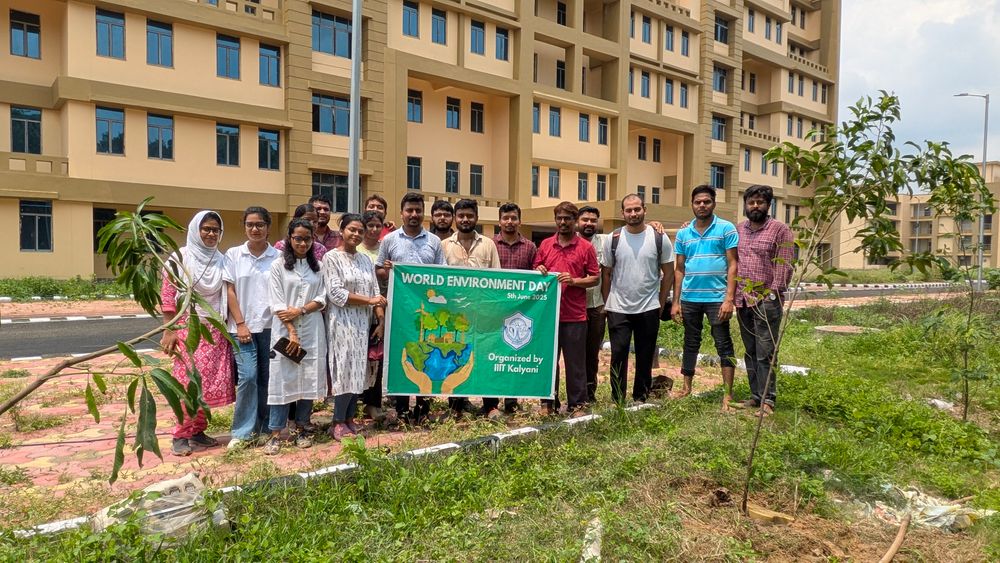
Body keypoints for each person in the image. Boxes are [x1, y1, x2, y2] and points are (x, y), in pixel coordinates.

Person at [160, 210, 234, 456]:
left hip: (215, 330)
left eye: (216, 230)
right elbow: (168, 295)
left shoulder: (221, 260)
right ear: (195, 230)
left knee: (207, 385)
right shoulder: (179, 258)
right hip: (188, 329)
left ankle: (198, 432)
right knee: (187, 384)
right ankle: (180, 435)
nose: (211, 234)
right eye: (207, 229)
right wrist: (169, 329)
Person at [376, 192, 446, 424]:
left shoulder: (434, 242)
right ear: (402, 213)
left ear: (423, 213)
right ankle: (403, 410)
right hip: (399, 312)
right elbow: (377, 271)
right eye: (409, 210)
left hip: (428, 315)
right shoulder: (389, 240)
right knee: (402, 356)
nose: (414, 215)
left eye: (418, 210)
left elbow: (443, 275)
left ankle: (424, 410)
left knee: (427, 356)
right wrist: (387, 271)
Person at [601, 195, 675, 404]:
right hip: (618, 307)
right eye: (628, 210)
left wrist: (660, 303)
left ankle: (640, 398)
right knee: (618, 355)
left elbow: (668, 273)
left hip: (648, 306)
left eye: (637, 209)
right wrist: (608, 303)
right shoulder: (613, 238)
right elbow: (606, 273)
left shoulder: (659, 238)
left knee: (645, 355)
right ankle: (617, 400)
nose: (633, 214)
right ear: (622, 213)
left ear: (645, 209)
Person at [263, 218, 328, 455]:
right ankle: (275, 433)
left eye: (307, 239)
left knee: (309, 379)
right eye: (298, 238)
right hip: (284, 331)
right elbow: (277, 302)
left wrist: (301, 310)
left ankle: (302, 427)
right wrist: (291, 331)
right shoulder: (278, 266)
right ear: (289, 239)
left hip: (312, 329)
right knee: (282, 379)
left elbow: (322, 298)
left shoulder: (318, 267)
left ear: (313, 240)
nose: (302, 243)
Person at [670, 185, 739, 410]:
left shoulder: (726, 229)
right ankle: (686, 387)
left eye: (706, 202)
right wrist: (676, 302)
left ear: (714, 204)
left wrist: (729, 299)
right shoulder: (683, 233)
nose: (702, 205)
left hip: (717, 298)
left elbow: (733, 264)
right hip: (690, 297)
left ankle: (727, 394)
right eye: (698, 202)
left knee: (723, 343)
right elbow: (679, 269)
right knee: (690, 342)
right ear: (692, 204)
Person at [324, 213, 387, 440]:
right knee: (343, 370)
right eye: (352, 229)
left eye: (360, 231)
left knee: (358, 372)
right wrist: (370, 301)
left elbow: (375, 293)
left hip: (363, 324)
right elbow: (336, 293)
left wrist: (379, 320)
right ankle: (337, 421)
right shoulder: (331, 258)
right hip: (341, 322)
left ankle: (350, 419)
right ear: (341, 230)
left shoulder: (365, 260)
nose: (357, 234)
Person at [534, 202, 600, 416]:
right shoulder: (544, 245)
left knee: (575, 364)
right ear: (555, 220)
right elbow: (536, 269)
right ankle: (548, 402)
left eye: (568, 218)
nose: (563, 222)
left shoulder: (585, 247)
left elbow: (594, 278)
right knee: (548, 362)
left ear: (575, 221)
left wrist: (574, 281)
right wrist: (539, 269)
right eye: (559, 218)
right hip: (548, 316)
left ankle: (577, 404)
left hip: (575, 315)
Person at [224, 206, 280, 451]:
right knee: (247, 377)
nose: (255, 229)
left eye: (260, 224)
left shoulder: (277, 257)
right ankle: (243, 431)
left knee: (268, 379)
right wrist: (240, 323)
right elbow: (229, 290)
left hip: (271, 327)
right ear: (244, 227)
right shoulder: (234, 255)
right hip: (242, 328)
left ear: (268, 227)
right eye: (250, 225)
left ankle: (267, 427)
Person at [735, 185, 793, 416]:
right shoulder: (739, 230)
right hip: (743, 300)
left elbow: (784, 265)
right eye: (751, 202)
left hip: (766, 301)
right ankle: (755, 396)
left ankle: (768, 400)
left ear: (768, 205)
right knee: (750, 350)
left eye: (760, 202)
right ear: (746, 205)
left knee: (766, 351)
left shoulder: (780, 230)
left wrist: (772, 294)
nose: (755, 206)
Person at [441, 199, 501, 418]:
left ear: (476, 217)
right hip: (454, 314)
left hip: (483, 313)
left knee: (485, 356)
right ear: (455, 218)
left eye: (469, 215)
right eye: (461, 215)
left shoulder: (488, 244)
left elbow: (497, 279)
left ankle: (491, 405)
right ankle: (455, 407)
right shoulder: (445, 245)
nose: (465, 219)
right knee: (456, 357)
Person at [490, 202, 536, 414]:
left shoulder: (530, 247)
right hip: (492, 311)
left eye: (513, 218)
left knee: (513, 356)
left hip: (519, 313)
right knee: (491, 355)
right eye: (505, 218)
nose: (509, 222)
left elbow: (537, 278)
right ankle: (490, 404)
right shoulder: (490, 245)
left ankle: (512, 401)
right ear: (499, 221)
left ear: (520, 220)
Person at [357, 210, 388, 421]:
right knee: (357, 356)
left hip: (382, 308)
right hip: (357, 311)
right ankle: (353, 402)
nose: (374, 230)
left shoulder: (386, 248)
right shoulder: (355, 249)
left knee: (376, 358)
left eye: (378, 225)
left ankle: (373, 402)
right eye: (370, 226)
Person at [577, 206, 608, 404]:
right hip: (572, 308)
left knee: (592, 354)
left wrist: (654, 225)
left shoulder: (605, 242)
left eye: (593, 220)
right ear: (578, 221)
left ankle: (589, 393)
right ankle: (575, 393)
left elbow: (631, 229)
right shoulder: (570, 242)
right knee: (573, 354)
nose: (589, 223)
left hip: (596, 307)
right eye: (585, 219)